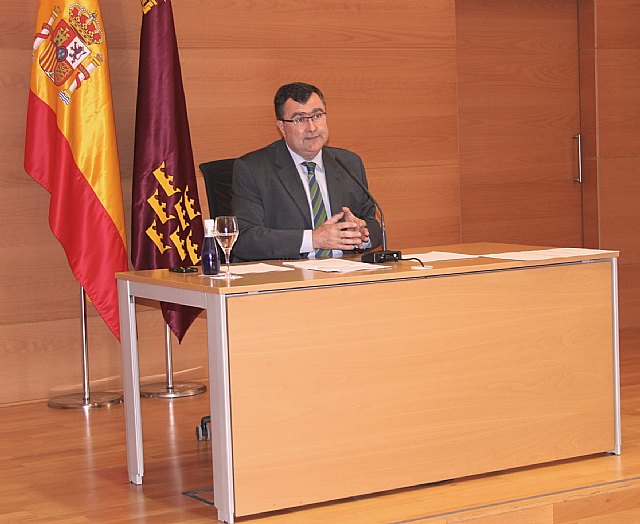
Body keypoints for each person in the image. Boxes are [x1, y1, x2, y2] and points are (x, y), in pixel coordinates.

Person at [231, 82, 383, 261]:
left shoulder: (348, 163)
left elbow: (373, 224)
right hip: (286, 280)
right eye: (299, 119)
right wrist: (313, 240)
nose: (311, 127)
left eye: (317, 116)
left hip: (345, 274)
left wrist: (361, 234)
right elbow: (245, 239)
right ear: (281, 127)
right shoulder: (253, 169)